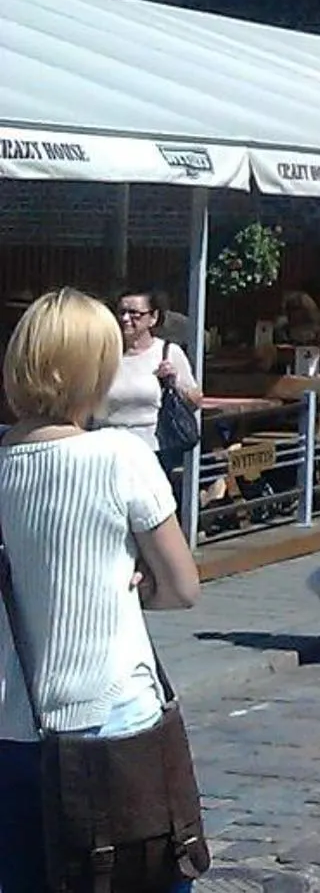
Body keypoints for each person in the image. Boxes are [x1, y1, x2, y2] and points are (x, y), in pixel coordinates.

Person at [0, 290, 206, 893]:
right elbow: (182, 587)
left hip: (15, 719)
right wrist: (136, 586)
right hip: (112, 717)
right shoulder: (121, 456)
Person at [105, 288, 201, 480]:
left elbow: (195, 401)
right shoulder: (104, 353)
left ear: (153, 318)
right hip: (107, 450)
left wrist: (174, 381)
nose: (125, 319)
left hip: (152, 450)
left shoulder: (168, 352)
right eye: (121, 312)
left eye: (134, 313)